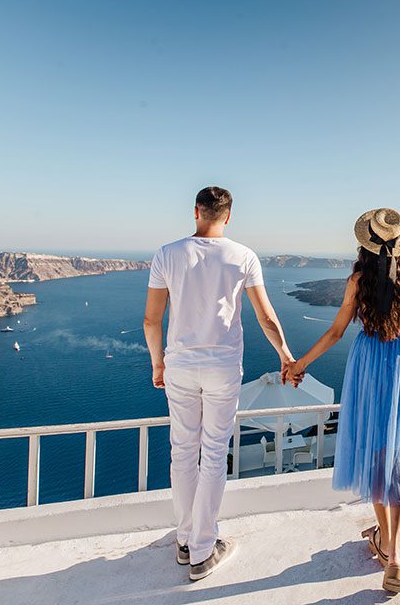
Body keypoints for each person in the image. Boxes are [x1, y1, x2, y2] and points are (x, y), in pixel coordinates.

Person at [286, 207, 400, 594]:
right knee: (399, 454)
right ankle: (394, 555)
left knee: (373, 449)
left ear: (365, 243)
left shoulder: (358, 280)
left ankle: (387, 541)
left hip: (368, 366)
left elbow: (334, 332)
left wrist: (299, 365)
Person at [143, 186, 295, 581]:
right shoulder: (243, 256)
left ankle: (184, 540)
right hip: (223, 369)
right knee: (212, 455)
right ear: (228, 216)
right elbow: (266, 317)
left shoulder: (166, 254)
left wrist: (158, 363)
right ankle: (202, 550)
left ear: (196, 211)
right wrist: (286, 356)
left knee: (182, 451)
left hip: (179, 366)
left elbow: (151, 320)